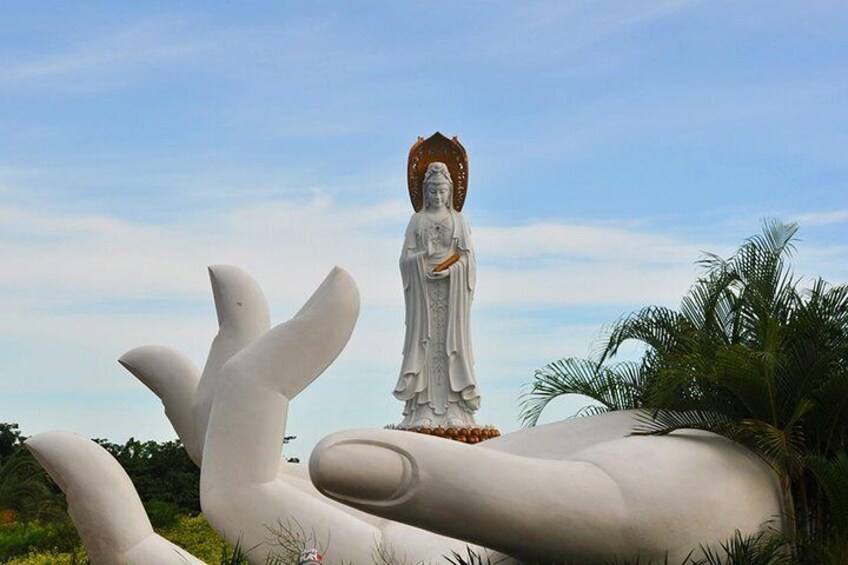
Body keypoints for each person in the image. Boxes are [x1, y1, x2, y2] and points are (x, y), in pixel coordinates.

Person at [393, 162, 480, 428]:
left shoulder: (459, 221)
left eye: (442, 191)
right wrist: (424, 255)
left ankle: (454, 407)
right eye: (432, 191)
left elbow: (469, 259)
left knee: (451, 346)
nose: (437, 197)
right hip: (423, 294)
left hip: (452, 294)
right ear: (424, 191)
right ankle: (423, 409)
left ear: (450, 191)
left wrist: (452, 270)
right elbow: (404, 260)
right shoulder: (417, 221)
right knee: (426, 343)